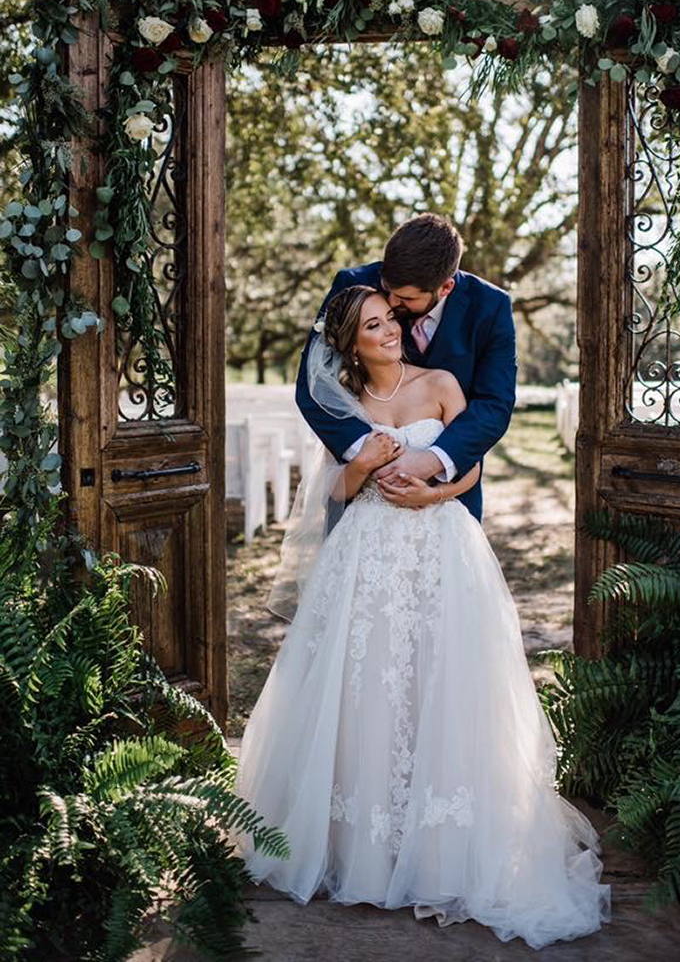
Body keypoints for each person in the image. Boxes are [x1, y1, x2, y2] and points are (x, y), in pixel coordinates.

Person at [233, 281, 611, 950]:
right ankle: (367, 843)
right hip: (368, 557)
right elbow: (340, 489)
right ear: (351, 343)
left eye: (391, 320)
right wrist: (365, 460)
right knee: (369, 684)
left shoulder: (439, 382)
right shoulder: (349, 405)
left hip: (440, 544)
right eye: (375, 326)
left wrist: (432, 492)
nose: (389, 331)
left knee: (445, 679)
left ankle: (443, 845)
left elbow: (471, 470)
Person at [295, 213, 516, 523]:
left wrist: (433, 460)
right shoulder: (352, 284)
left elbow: (495, 403)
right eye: (387, 288)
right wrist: (368, 456)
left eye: (406, 298)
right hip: (364, 508)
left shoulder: (491, 307)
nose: (391, 301)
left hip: (447, 503)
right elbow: (313, 383)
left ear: (446, 287)